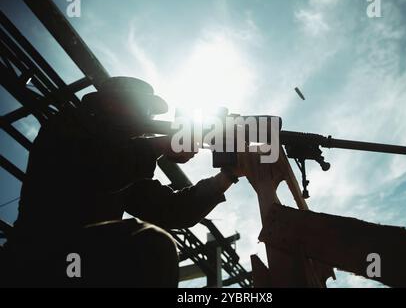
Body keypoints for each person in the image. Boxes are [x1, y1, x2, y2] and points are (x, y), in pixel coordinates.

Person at [2, 77, 242, 287]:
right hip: (36, 259)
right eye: (142, 109)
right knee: (151, 248)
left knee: (150, 247)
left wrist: (227, 177)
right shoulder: (68, 124)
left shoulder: (126, 159)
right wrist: (160, 144)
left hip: (73, 263)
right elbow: (96, 170)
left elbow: (171, 210)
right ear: (110, 103)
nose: (148, 118)